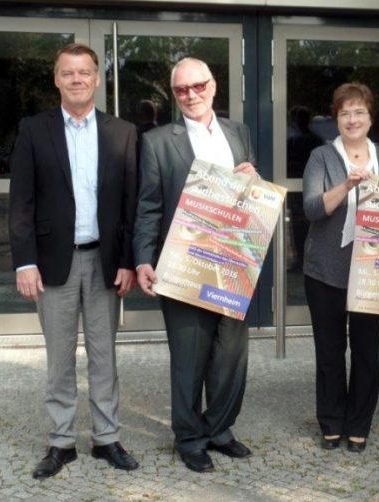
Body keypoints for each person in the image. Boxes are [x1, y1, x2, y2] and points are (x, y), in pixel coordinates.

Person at [9, 43, 139, 479]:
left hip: (104, 262)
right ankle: (61, 442)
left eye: (85, 72)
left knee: (105, 356)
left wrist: (126, 260)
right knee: (60, 357)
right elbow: (21, 202)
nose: (78, 79)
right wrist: (24, 262)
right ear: (57, 79)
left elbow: (129, 204)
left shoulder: (121, 132)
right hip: (52, 265)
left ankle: (106, 438)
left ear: (97, 78)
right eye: (69, 73)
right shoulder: (33, 129)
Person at [133, 57, 257, 473]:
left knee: (230, 354)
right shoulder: (157, 141)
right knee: (189, 355)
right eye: (182, 90)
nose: (191, 95)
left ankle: (220, 429)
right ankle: (189, 438)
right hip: (182, 264)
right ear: (175, 94)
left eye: (198, 86)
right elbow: (148, 206)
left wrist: (253, 180)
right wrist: (142, 260)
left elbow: (249, 195)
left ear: (213, 86)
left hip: (234, 261)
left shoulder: (238, 133)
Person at [303, 83, 379, 452]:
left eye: (359, 112)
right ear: (336, 118)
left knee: (365, 352)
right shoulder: (321, 157)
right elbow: (312, 209)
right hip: (325, 268)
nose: (353, 119)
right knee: (329, 351)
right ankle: (331, 420)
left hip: (371, 271)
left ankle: (359, 423)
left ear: (370, 117)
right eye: (345, 113)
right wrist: (346, 185)